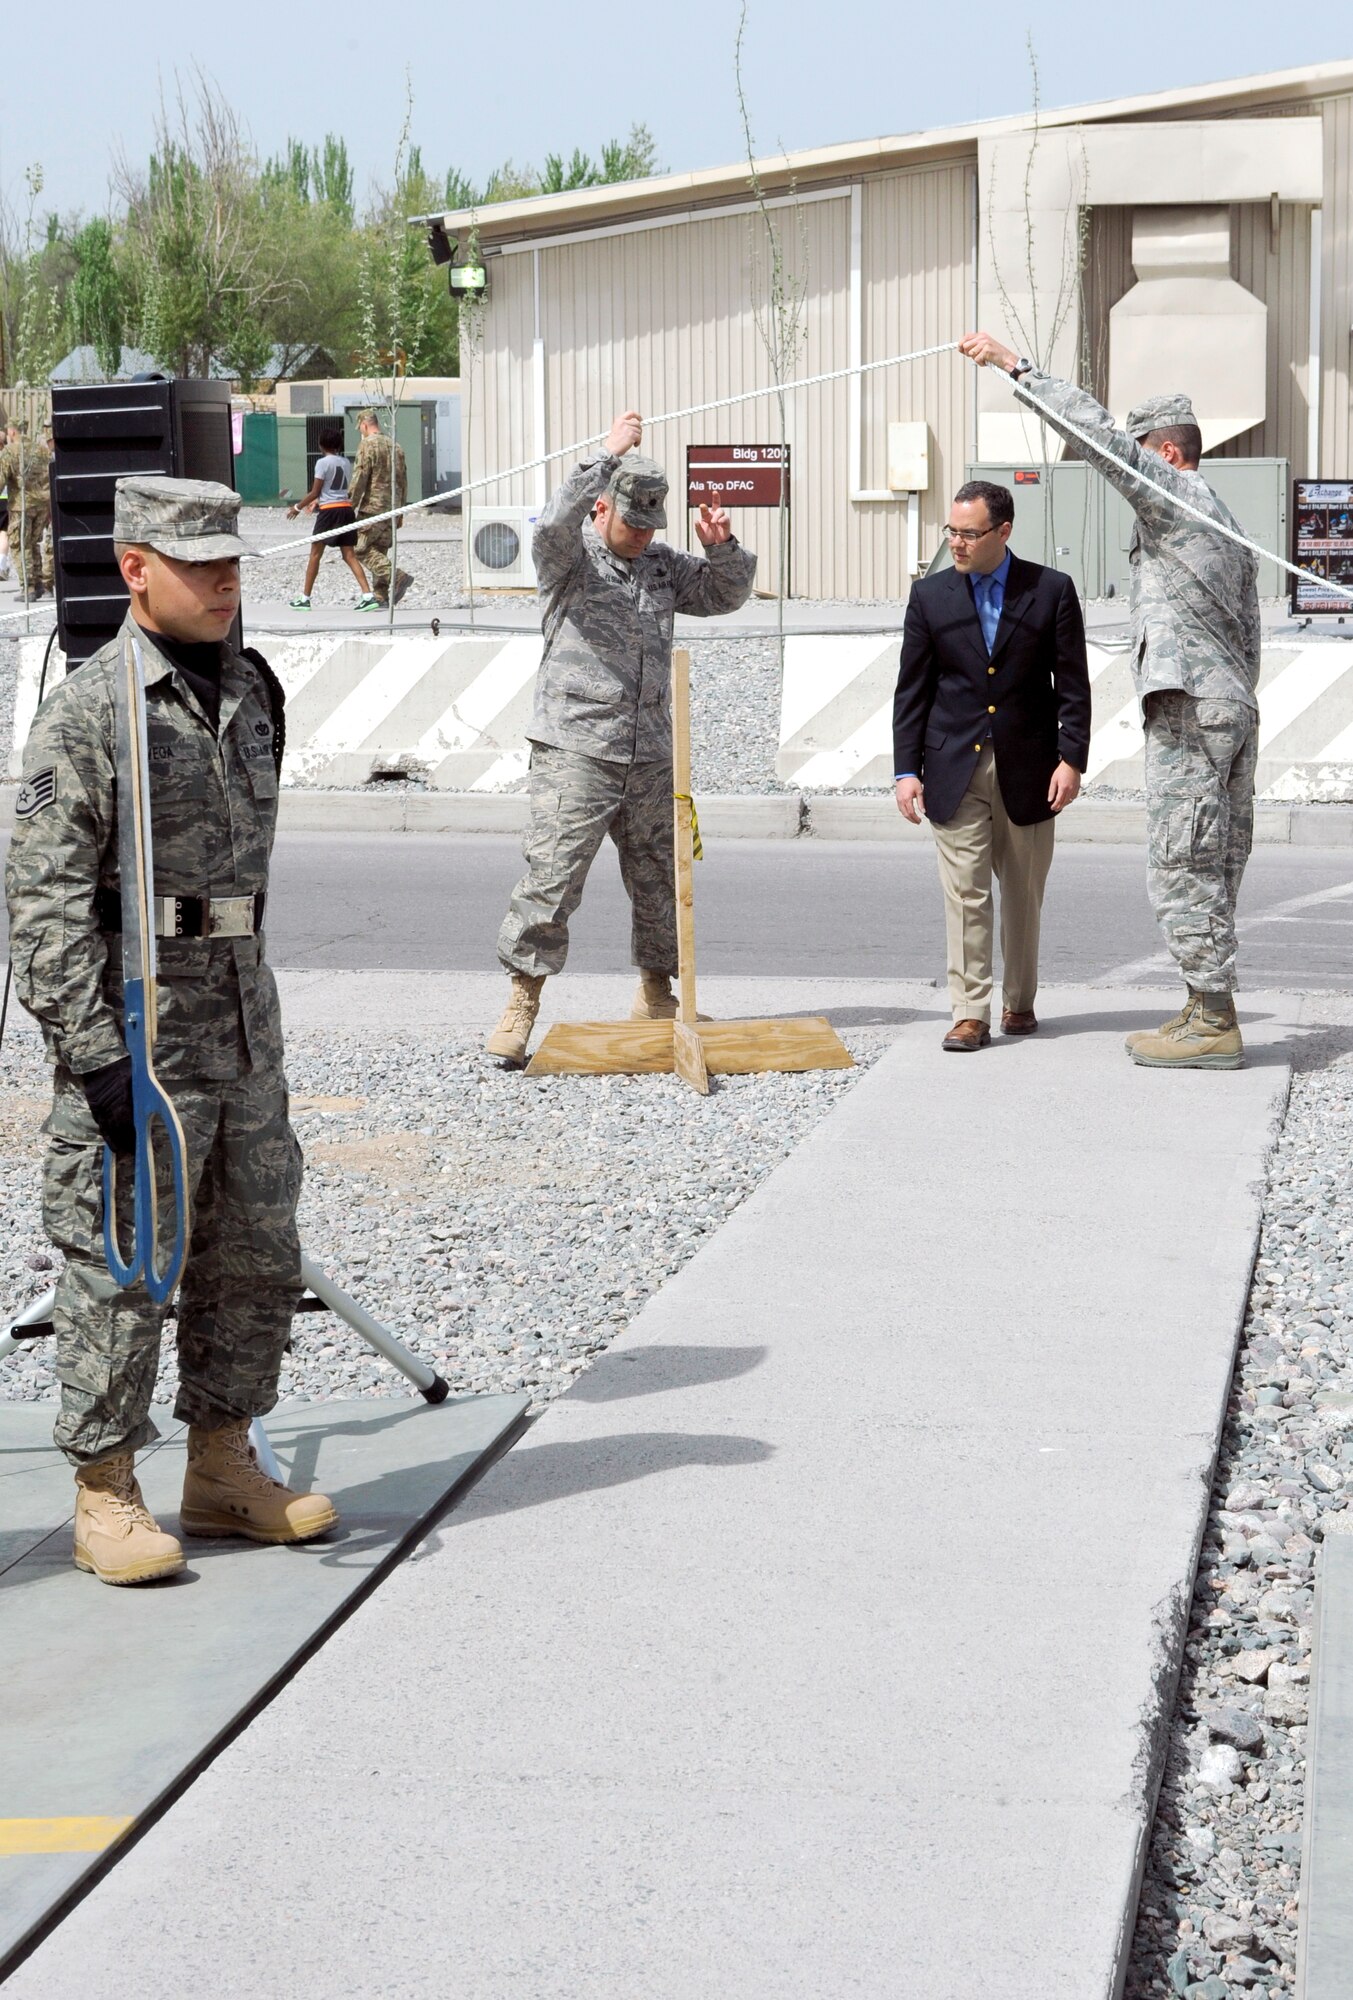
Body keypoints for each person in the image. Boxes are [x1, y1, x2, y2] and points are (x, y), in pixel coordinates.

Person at [5, 474, 336, 1586]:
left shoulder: (255, 689)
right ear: (134, 568)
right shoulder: (91, 711)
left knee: (252, 1250)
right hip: (139, 1032)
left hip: (243, 1022)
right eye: (197, 564)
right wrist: (95, 1055)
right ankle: (106, 1489)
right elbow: (43, 905)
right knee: (120, 1262)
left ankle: (224, 1462)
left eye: (231, 561)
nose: (224, 581)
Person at [959, 332, 1261, 1070]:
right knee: (1213, 857)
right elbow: (1249, 635)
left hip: (1192, 708)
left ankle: (1213, 1021)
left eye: (1139, 454)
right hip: (1226, 704)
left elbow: (1095, 440)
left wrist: (1019, 371)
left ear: (1164, 454)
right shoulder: (1224, 521)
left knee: (1181, 860)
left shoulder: (1176, 494)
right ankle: (1201, 1002)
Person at [487, 409, 757, 1066]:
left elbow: (726, 595)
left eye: (649, 524)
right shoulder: (569, 559)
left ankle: (656, 994)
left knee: (660, 880)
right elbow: (551, 519)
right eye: (630, 522)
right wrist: (603, 455)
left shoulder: (661, 566)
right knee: (553, 879)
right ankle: (522, 1002)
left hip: (649, 754)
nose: (639, 535)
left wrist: (721, 545)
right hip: (577, 748)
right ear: (602, 507)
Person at [893, 479, 1091, 1050]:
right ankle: (969, 1011)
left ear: (1002, 532)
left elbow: (1072, 685)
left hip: (1031, 767)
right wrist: (907, 771)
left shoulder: (1051, 590)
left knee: (1023, 892)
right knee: (965, 893)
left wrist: (1071, 758)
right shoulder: (929, 598)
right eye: (951, 531)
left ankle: (1019, 1002)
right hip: (953, 766)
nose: (956, 543)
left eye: (968, 533)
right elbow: (913, 691)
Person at [285, 424, 375, 610]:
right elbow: (335, 488)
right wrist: (318, 500)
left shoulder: (322, 463)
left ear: (321, 445)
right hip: (346, 509)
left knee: (315, 554)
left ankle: (305, 598)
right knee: (349, 555)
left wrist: (297, 507)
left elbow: (315, 491)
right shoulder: (345, 462)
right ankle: (368, 595)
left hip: (330, 512)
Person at [348, 408, 411, 610]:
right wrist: (400, 510)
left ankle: (396, 576)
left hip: (372, 508)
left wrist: (350, 505)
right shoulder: (396, 446)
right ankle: (381, 596)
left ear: (364, 425)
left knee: (359, 549)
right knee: (380, 551)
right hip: (391, 508)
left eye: (360, 429)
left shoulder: (367, 445)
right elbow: (403, 480)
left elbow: (360, 476)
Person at [0, 417, 53, 599]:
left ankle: (27, 587)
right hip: (42, 505)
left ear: (12, 432)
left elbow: (1, 479)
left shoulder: (10, 451)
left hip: (20, 506)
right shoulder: (41, 450)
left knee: (19, 545)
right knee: (33, 544)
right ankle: (39, 584)